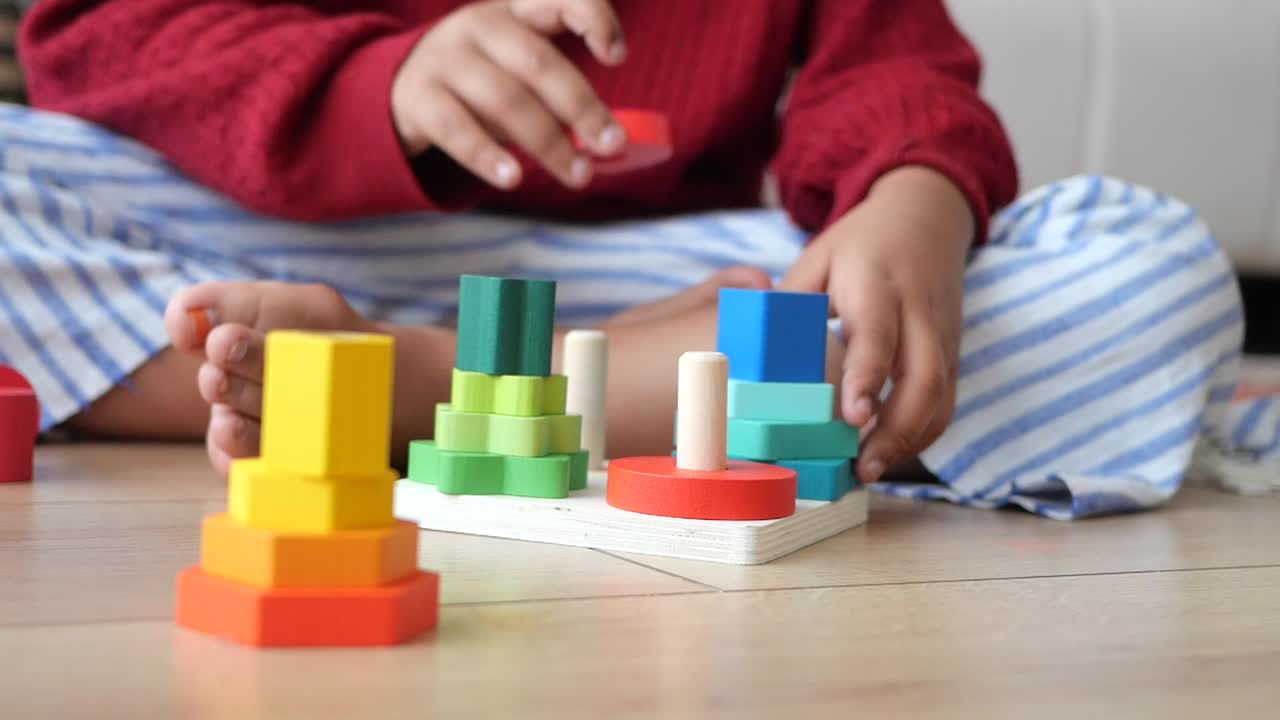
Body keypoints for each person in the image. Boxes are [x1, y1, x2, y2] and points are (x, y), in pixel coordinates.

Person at [4, 0, 1272, 517]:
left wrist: (911, 196)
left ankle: (413, 390)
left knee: (1140, 263)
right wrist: (374, 85)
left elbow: (891, 64)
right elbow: (94, 39)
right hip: (265, 227)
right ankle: (572, 395)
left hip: (682, 284)